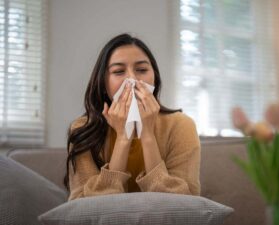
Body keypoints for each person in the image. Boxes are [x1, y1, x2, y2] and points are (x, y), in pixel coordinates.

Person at [64, 33, 201, 201]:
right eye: (119, 71)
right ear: (103, 83)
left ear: (155, 78)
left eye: (142, 70)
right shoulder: (83, 129)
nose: (132, 79)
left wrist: (147, 134)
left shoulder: (181, 125)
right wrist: (123, 136)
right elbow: (84, 206)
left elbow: (186, 203)